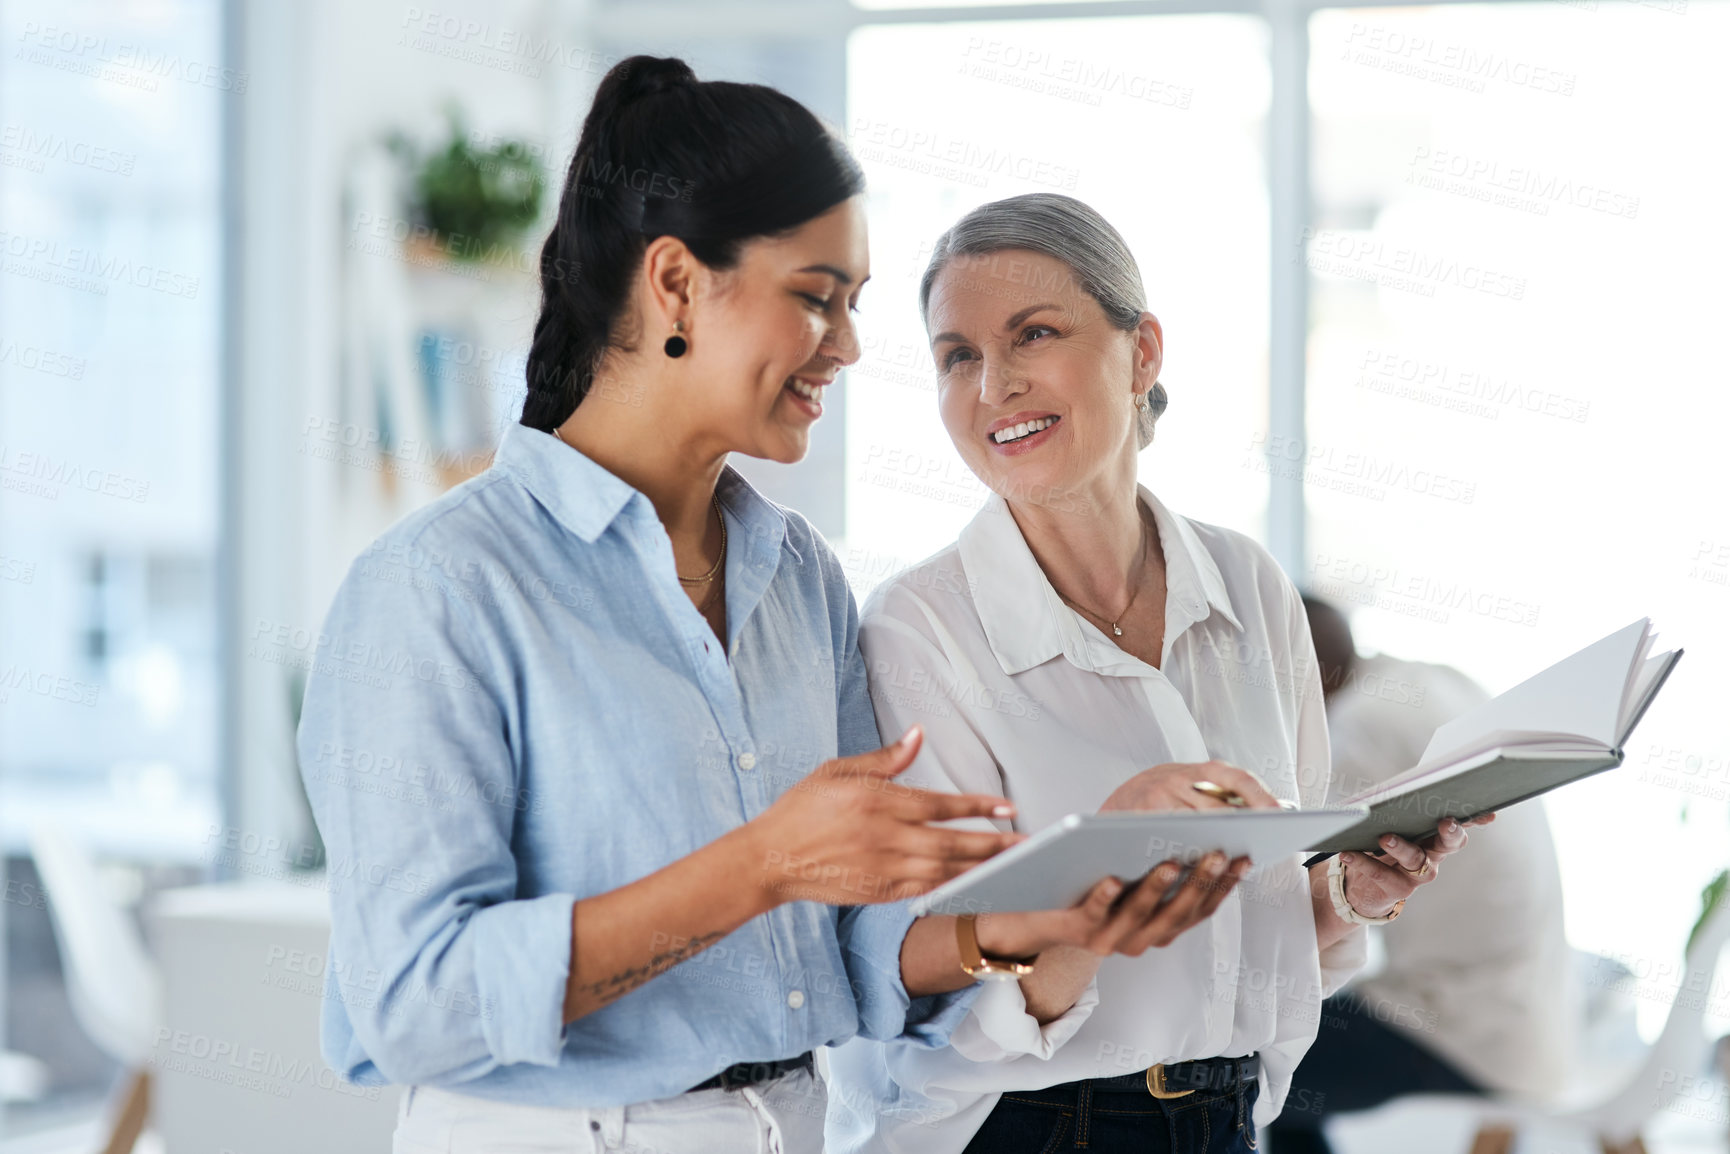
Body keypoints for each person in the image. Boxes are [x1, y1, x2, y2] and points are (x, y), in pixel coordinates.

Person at [298, 60, 1246, 1154]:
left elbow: (842, 946)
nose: (845, 345)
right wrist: (759, 865)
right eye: (813, 297)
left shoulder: (795, 573)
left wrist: (1027, 923)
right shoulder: (440, 585)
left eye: (853, 307)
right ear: (675, 284)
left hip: (788, 1125)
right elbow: (413, 1003)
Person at [824, 193, 1484, 1154]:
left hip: (1226, 1116)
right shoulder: (921, 630)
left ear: (1143, 352)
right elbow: (929, 978)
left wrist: (1347, 892)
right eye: (956, 356)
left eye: (1033, 333)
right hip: (1034, 1126)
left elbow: (1250, 918)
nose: (992, 383)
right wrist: (1106, 871)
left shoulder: (1250, 587)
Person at [1263, 599, 1573, 1154]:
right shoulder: (1433, 683)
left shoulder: (1356, 729)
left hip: (1462, 1037)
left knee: (1257, 1059)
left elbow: (1295, 897)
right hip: (1537, 1023)